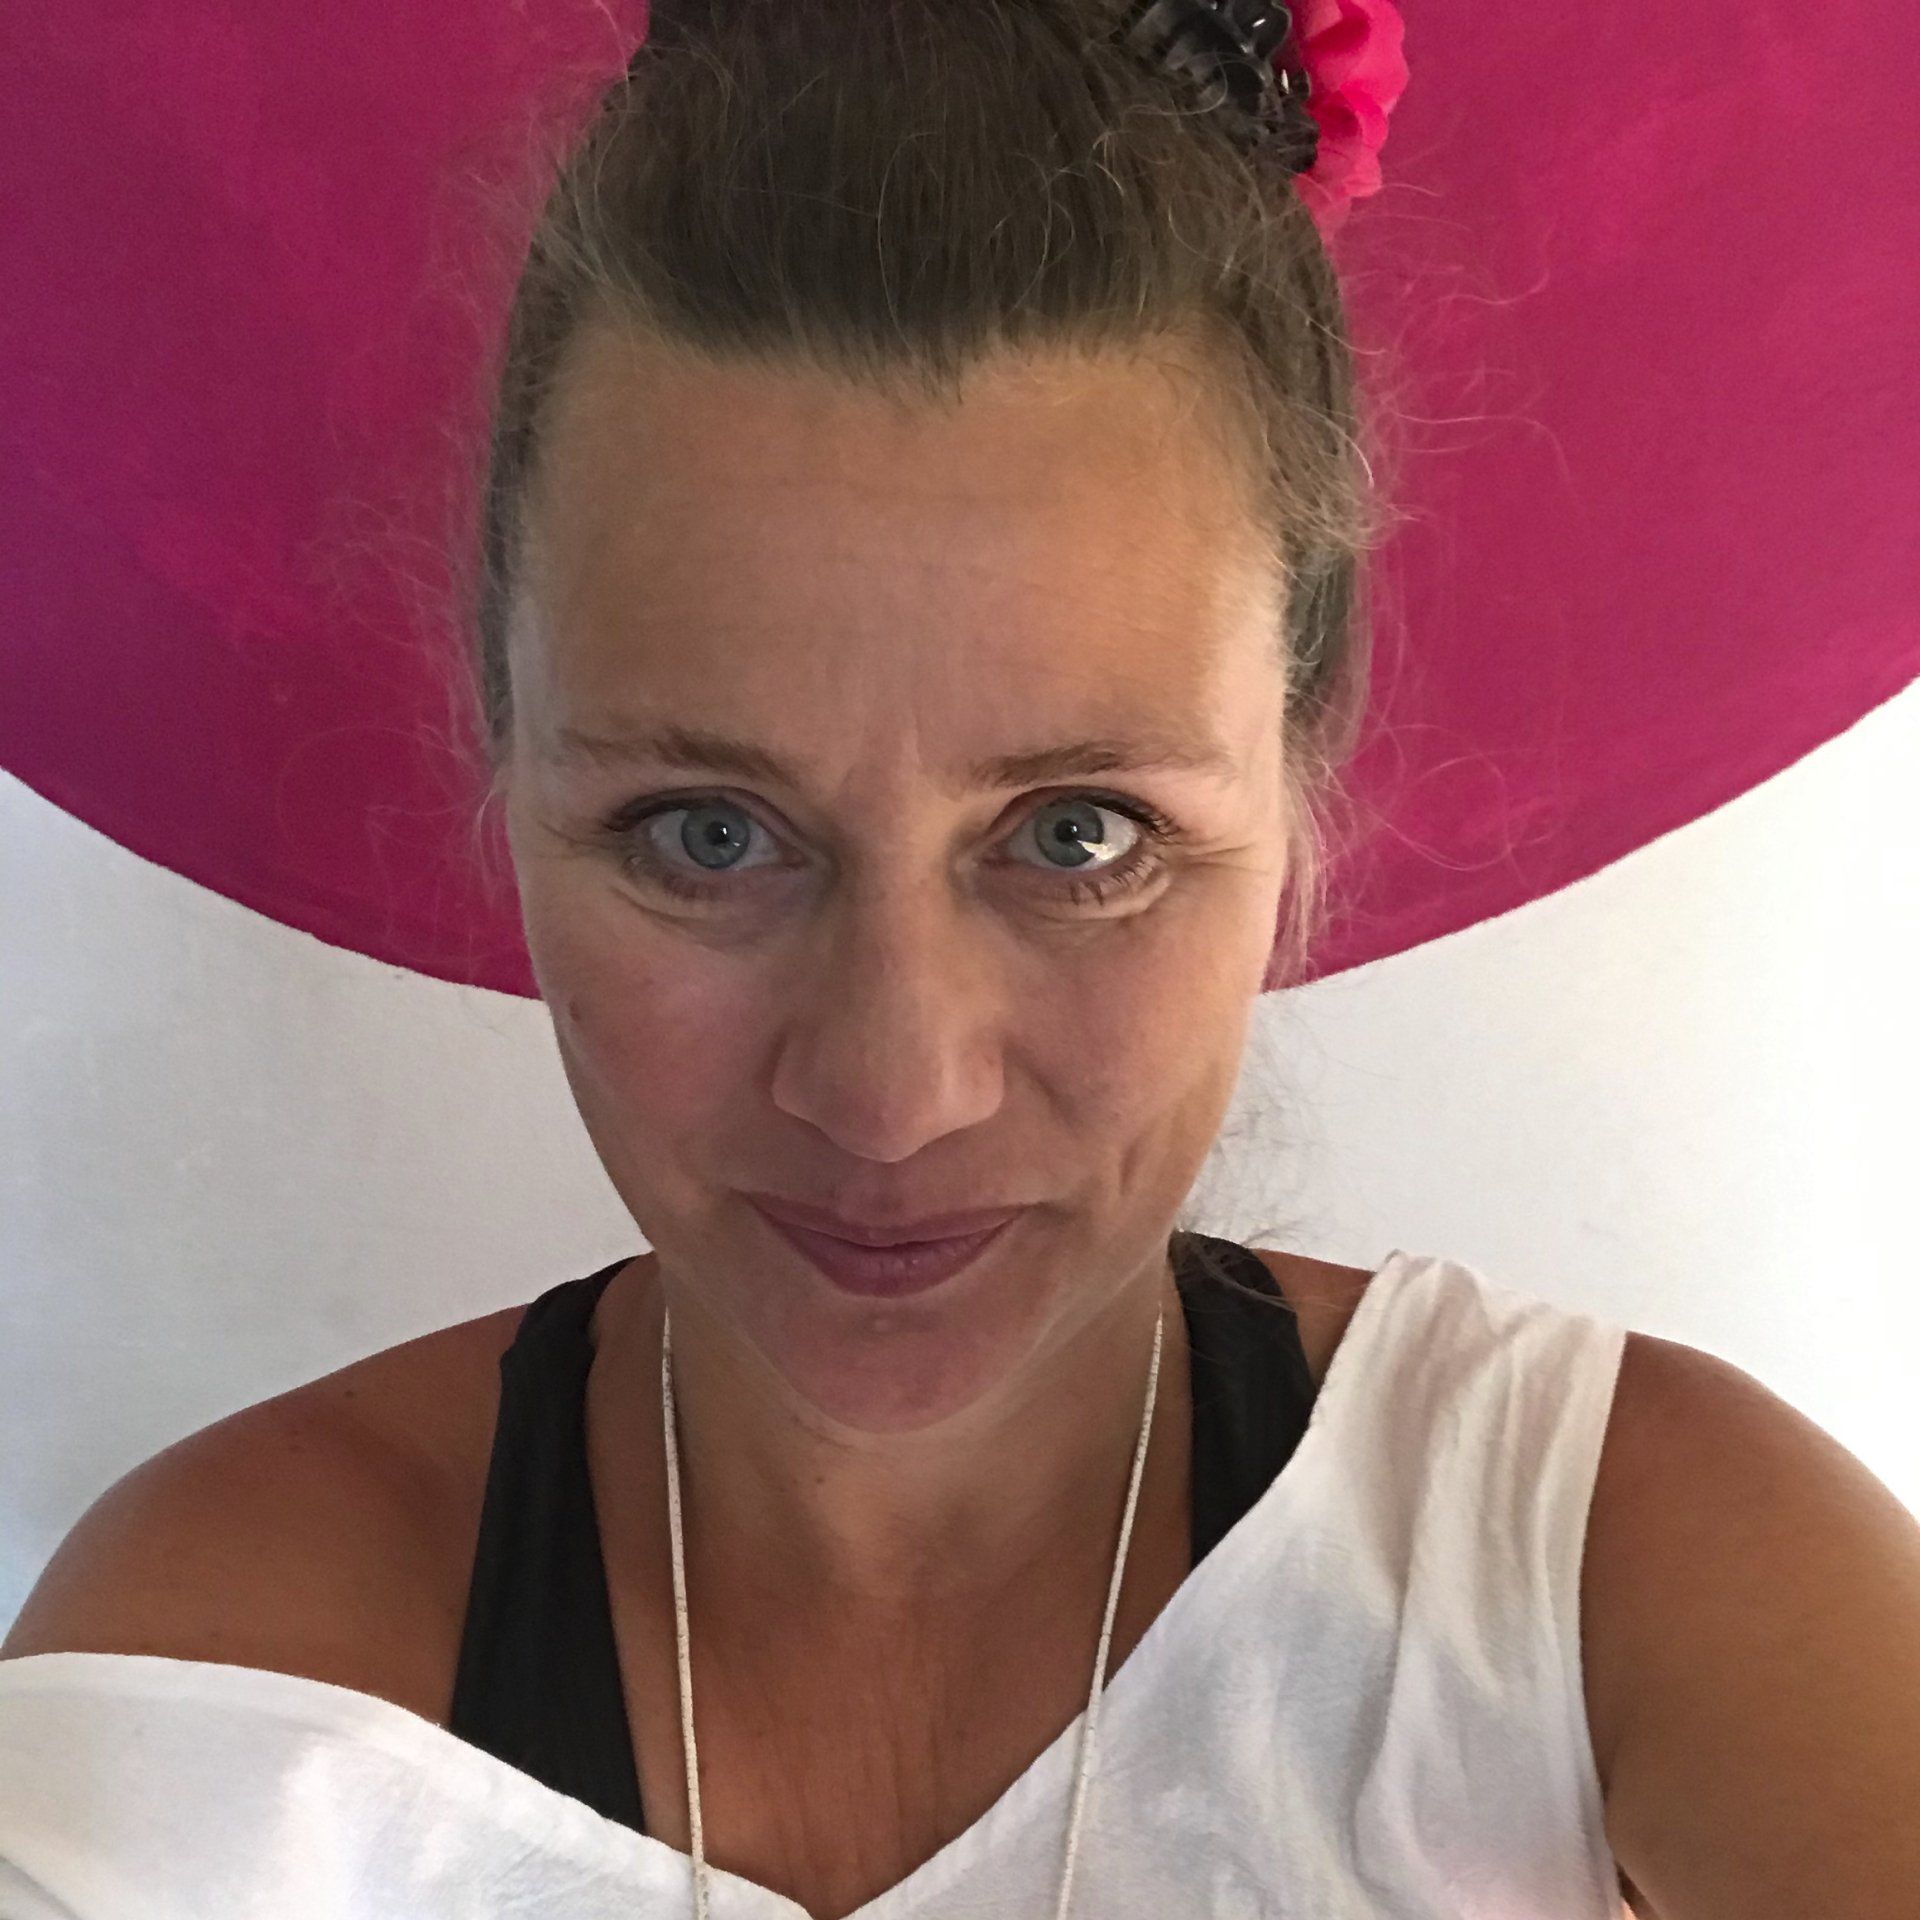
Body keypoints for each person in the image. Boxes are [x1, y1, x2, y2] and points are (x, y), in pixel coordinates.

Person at [6, 5, 1920, 1918]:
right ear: (506, 762)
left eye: (1080, 836)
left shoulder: (1615, 1576)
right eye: (706, 834)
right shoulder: (229, 1677)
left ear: (1300, 766)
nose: (892, 1091)